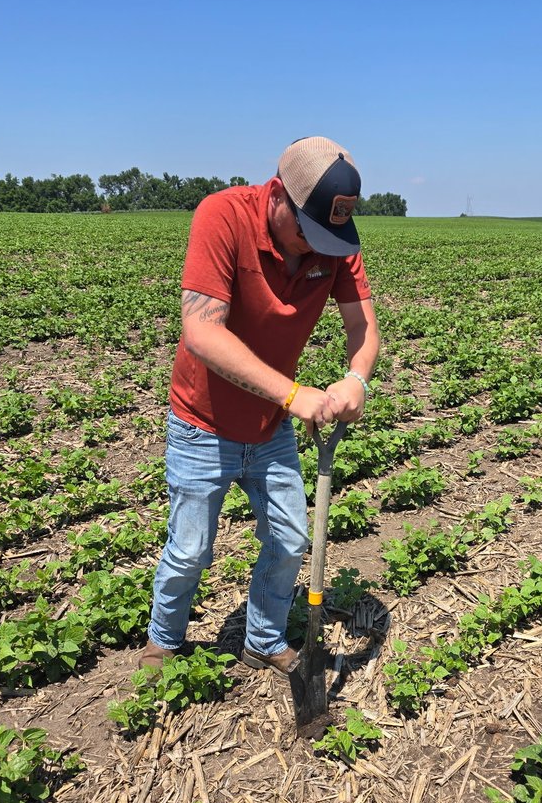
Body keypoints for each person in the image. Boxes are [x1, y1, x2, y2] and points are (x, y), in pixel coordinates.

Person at [141, 136, 380, 676]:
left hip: (270, 428)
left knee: (291, 538)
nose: (317, 245)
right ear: (276, 194)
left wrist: (356, 380)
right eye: (307, 230)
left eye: (331, 234)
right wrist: (295, 395)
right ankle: (164, 640)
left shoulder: (335, 244)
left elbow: (362, 328)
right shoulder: (222, 215)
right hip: (203, 422)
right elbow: (202, 330)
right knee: (191, 549)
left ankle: (265, 639)